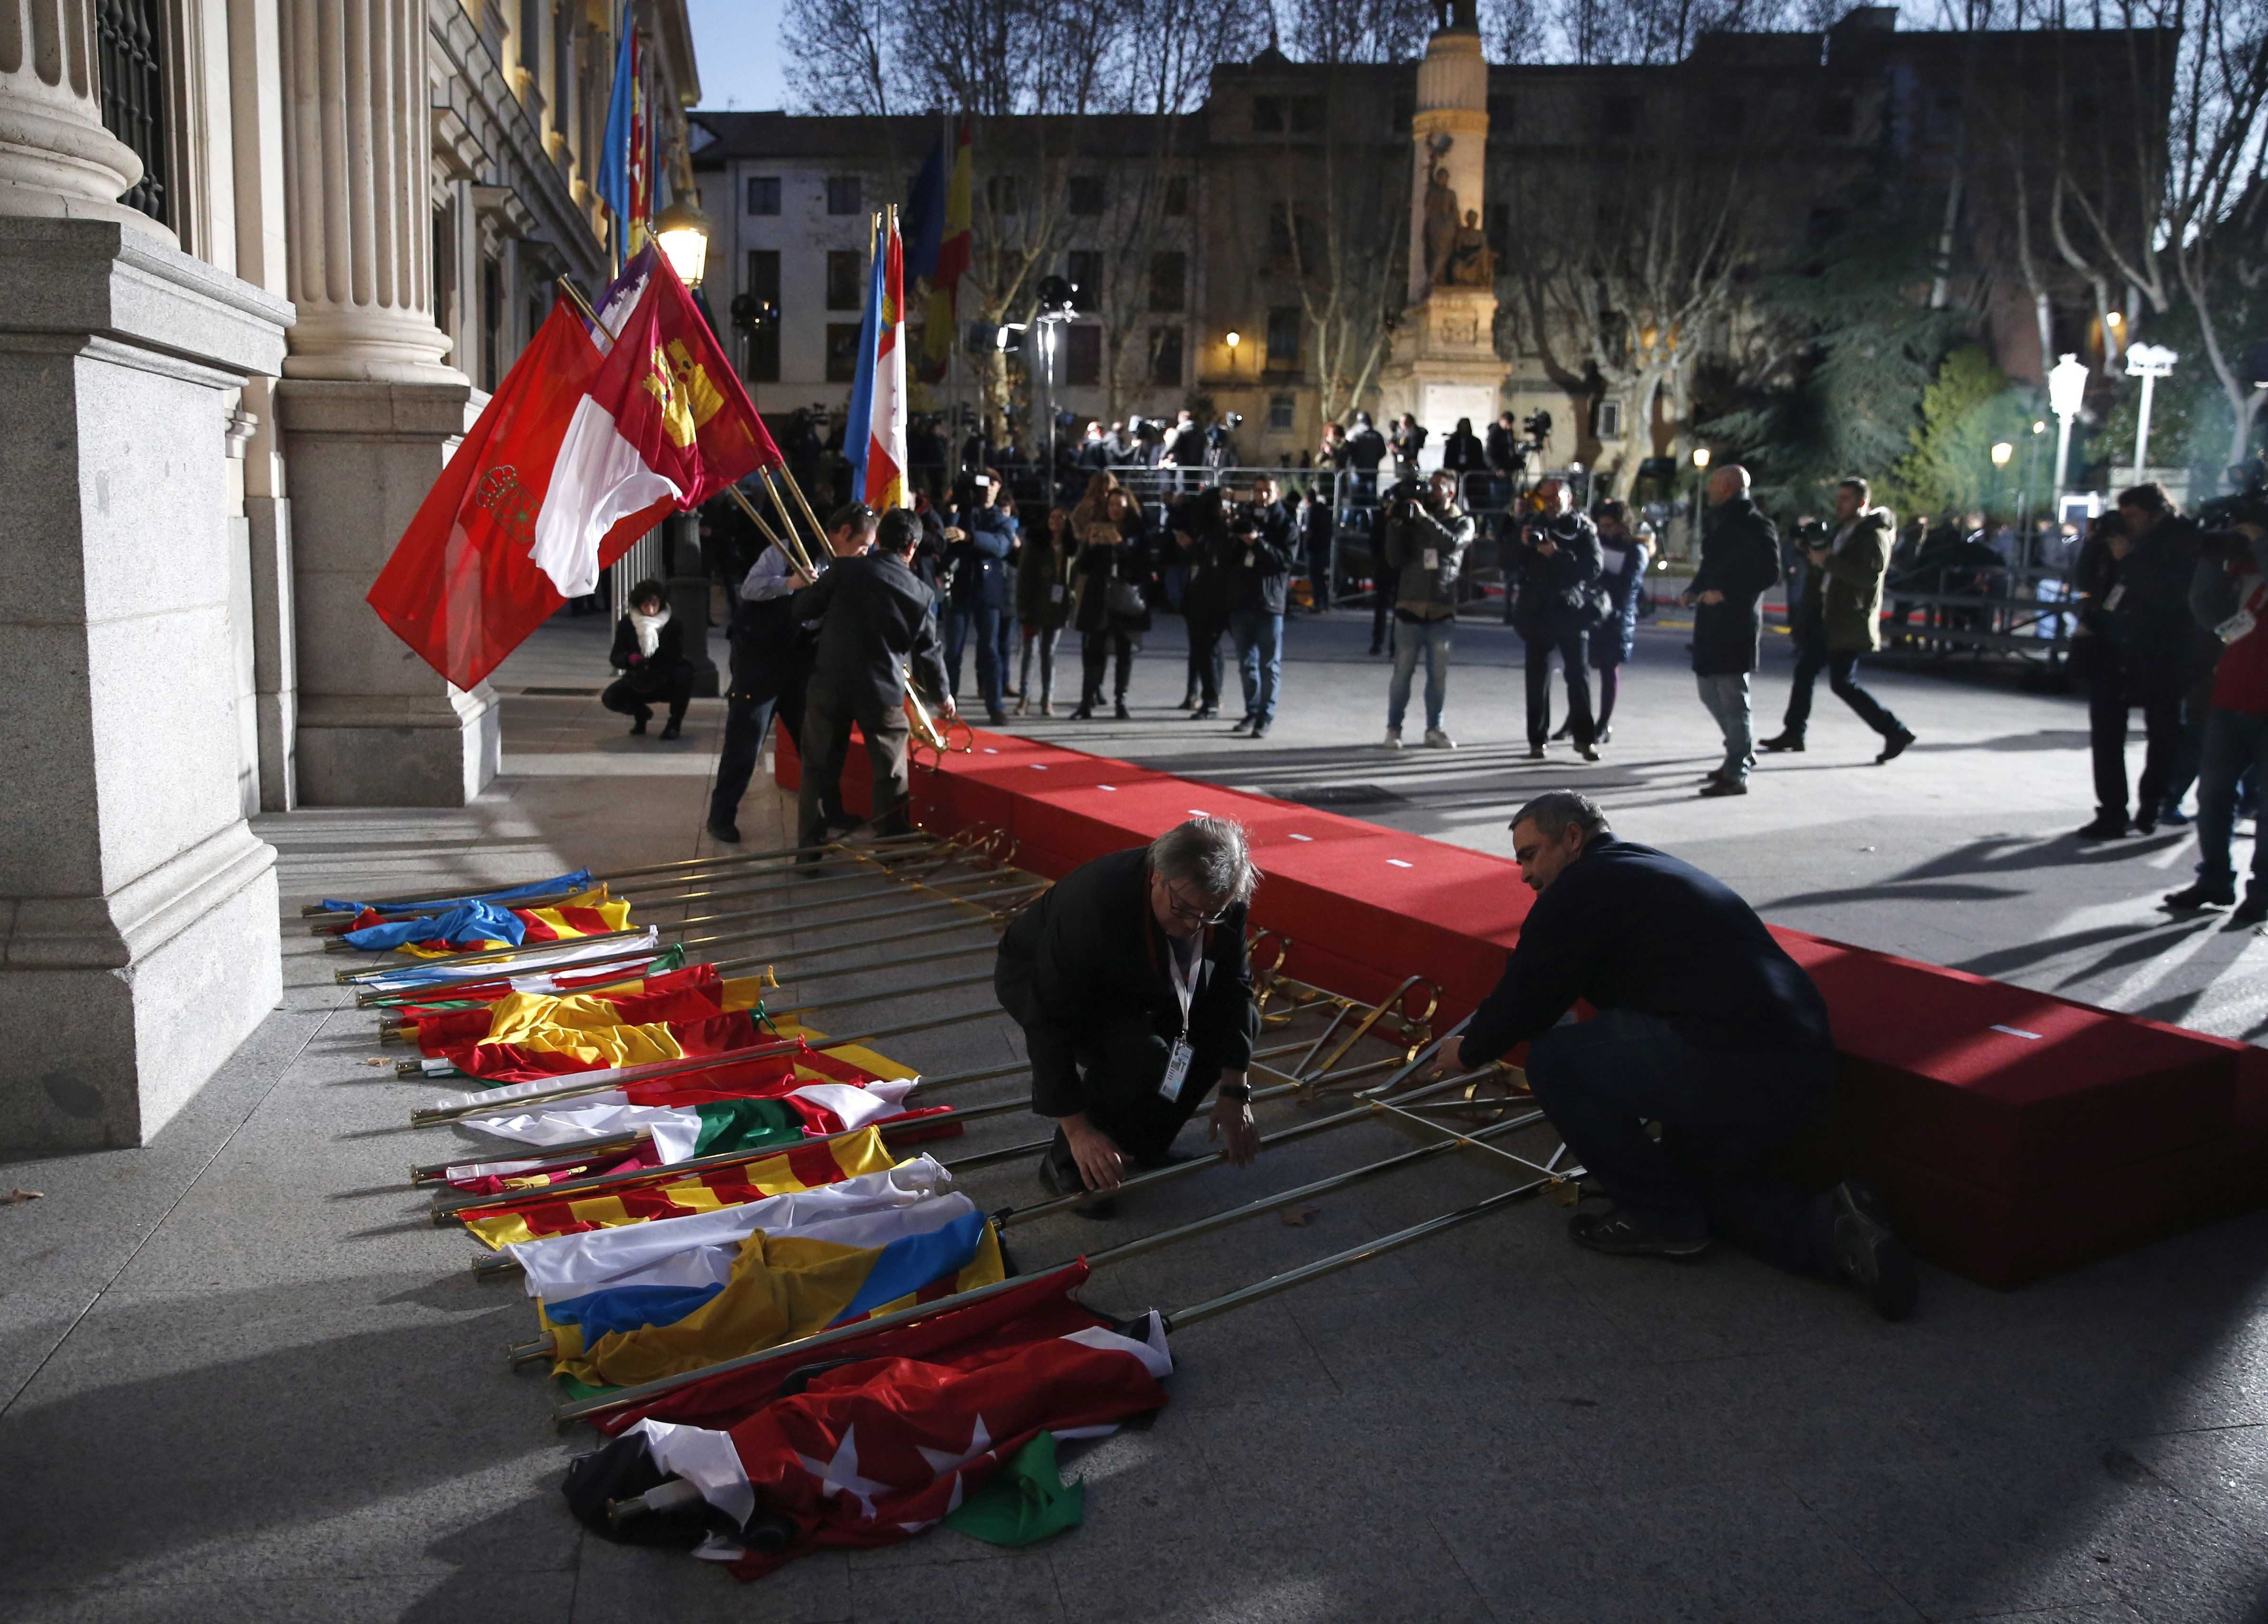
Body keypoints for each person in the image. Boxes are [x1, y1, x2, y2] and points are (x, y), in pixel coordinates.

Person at [1451, 792, 1917, 1319]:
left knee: (1555, 1063)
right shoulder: (1648, 868)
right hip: (1800, 1059)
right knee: (1705, 1188)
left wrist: (1468, 1051)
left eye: (1531, 855)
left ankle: (1660, 1221)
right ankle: (1838, 1232)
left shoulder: (1581, 886)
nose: (1525, 875)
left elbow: (1528, 993)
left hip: (1725, 1055)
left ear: (1573, 838)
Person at [994, 816, 1262, 1206]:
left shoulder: (1220, 903)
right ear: (1158, 876)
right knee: (1137, 1054)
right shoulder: (1095, 901)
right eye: (1185, 909)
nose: (1194, 925)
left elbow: (1233, 990)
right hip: (1039, 975)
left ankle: (1144, 1145)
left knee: (1222, 1031)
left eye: (1209, 915)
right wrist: (1079, 1132)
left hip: (1144, 977)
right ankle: (1066, 1166)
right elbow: (1049, 1021)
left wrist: (1235, 1091)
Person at [786, 508, 955, 853]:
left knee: (817, 768)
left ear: (878, 539)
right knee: (890, 772)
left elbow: (802, 611)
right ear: (912, 548)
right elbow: (928, 653)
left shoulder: (844, 570)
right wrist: (943, 696)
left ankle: (809, 851)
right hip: (882, 691)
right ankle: (891, 849)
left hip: (829, 683)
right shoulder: (921, 593)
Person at [705, 514, 867, 845]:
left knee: (817, 744)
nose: (866, 553)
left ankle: (833, 810)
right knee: (746, 742)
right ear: (844, 533)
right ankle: (721, 817)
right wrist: (789, 584)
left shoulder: (848, 567)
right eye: (863, 546)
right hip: (760, 662)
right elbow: (750, 587)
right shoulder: (787, 548)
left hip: (802, 662)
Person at [2074, 483, 2211, 839]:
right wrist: (2094, 543)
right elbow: (2085, 581)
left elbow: (2169, 595)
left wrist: (2130, 559)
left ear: (2156, 513)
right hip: (2112, 648)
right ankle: (2111, 811)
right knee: (2106, 734)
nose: (2127, 522)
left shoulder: (2181, 539)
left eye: (2134, 516)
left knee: (2164, 734)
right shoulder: (2116, 539)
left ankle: (2153, 804)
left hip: (2162, 652)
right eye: (2124, 515)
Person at [1760, 477, 1916, 764]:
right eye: (1839, 497)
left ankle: (1895, 730)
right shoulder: (1843, 531)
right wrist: (1812, 553)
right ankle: (1794, 732)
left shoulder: (1874, 535)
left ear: (1862, 502)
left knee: (1842, 683)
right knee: (1806, 671)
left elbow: (1870, 577)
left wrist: (1828, 561)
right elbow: (1828, 571)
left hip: (1849, 619)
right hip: (1828, 616)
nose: (1839, 504)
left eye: (1846, 498)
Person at [2164, 513, 2268, 925]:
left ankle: (2262, 894)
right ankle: (2214, 880)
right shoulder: (2248, 571)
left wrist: (2259, 543)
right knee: (2213, 797)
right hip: (2231, 697)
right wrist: (2210, 557)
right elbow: (2210, 615)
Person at [1509, 478, 1604, 761]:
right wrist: (1521, 543)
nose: (1550, 504)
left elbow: (1593, 568)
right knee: (1537, 680)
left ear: (1569, 499)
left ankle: (1585, 739)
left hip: (1571, 611)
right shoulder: (1531, 525)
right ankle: (1537, 741)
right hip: (1536, 610)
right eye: (1545, 498)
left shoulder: (1582, 529)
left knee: (1578, 677)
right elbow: (1507, 562)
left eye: (1555, 498)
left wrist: (1557, 554)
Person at [1382, 468, 1473, 749]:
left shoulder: (1463, 522)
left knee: (1437, 678)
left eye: (1437, 487)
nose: (1429, 491)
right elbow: (1394, 559)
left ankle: (1434, 729)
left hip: (1441, 610)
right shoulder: (1412, 520)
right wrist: (1395, 524)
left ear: (1451, 492)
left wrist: (1424, 519)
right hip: (1409, 607)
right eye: (1428, 486)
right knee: (1402, 675)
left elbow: (1451, 544)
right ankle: (1394, 728)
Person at [942, 470, 1015, 725]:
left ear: (1000, 487)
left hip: (988, 590)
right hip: (961, 586)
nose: (988, 488)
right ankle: (948, 704)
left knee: (990, 650)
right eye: (984, 483)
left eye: (993, 483)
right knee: (953, 651)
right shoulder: (964, 513)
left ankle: (995, 706)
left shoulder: (1001, 519)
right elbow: (946, 540)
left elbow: (1001, 545)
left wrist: (970, 537)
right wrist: (952, 509)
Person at [1070, 487, 1148, 720]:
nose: (1115, 510)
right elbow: (1082, 567)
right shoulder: (1098, 527)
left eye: (1120, 506)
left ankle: (1120, 702)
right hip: (1099, 598)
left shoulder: (1136, 531)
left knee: (1125, 652)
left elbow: (1141, 567)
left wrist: (1121, 545)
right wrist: (1091, 545)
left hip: (1125, 599)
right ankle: (1087, 702)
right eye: (1111, 505)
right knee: (1093, 651)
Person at [1225, 478, 1293, 738]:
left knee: (1269, 665)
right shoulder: (1245, 519)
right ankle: (1252, 711)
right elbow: (1230, 559)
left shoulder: (1285, 524)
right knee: (1246, 664)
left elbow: (1285, 562)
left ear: (1277, 494)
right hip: (1242, 601)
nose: (1262, 496)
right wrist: (1234, 535)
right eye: (1257, 491)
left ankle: (1266, 715)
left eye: (1267, 491)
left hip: (1269, 603)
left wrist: (1258, 544)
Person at [1587, 499, 1652, 745]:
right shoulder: (1600, 543)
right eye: (1602, 526)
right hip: (1593, 612)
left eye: (1610, 526)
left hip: (1618, 616)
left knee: (1609, 670)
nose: (1605, 532)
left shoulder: (1636, 550)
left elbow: (1626, 586)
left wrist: (1599, 574)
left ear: (1623, 525)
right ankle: (1576, 719)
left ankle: (1604, 723)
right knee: (1581, 667)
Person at [601, 579, 696, 741]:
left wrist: (656, 658)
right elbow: (616, 656)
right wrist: (629, 659)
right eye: (646, 605)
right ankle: (641, 714)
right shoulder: (628, 624)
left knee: (685, 674)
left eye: (654, 605)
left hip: (665, 679)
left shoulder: (672, 624)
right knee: (610, 698)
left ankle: (674, 725)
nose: (651, 610)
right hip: (638, 679)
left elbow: (676, 655)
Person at [1171, 486, 1232, 719]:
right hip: (1198, 596)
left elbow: (1212, 560)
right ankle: (1203, 696)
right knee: (1202, 648)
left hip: (1214, 597)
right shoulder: (1204, 530)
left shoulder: (1219, 532)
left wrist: (1191, 547)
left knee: (1209, 649)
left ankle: (1212, 699)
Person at [1014, 504, 1077, 716]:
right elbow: (1023, 577)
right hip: (1034, 605)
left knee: (1048, 652)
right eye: (1053, 517)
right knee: (1030, 652)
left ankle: (1047, 699)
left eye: (1060, 518)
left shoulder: (1071, 547)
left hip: (1057, 606)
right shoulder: (1035, 543)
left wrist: (1071, 602)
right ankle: (1024, 698)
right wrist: (1022, 607)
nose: (1056, 521)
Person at [1389, 412, 1428, 482]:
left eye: (1405, 422)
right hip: (1400, 467)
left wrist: (1398, 450)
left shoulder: (1413, 435)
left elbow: (1412, 453)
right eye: (1401, 422)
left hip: (1408, 468)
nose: (1402, 424)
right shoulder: (1401, 434)